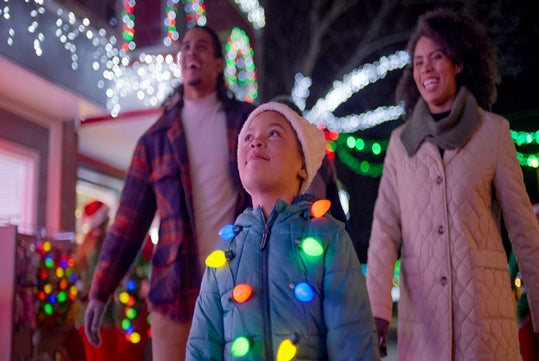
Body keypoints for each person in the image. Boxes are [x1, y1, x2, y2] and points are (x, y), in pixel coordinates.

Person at [365, 8, 539, 361]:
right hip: (423, 324)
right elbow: (384, 231)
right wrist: (377, 311)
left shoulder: (493, 132)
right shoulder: (401, 144)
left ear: (459, 63)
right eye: (417, 62)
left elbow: (523, 230)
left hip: (484, 322)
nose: (426, 68)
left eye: (437, 57)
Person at [84, 25, 256, 361]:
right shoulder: (155, 139)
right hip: (174, 293)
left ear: (220, 63)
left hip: (238, 288)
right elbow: (127, 224)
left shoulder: (248, 125)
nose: (192, 52)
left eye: (202, 46)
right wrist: (99, 291)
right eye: (187, 47)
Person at [186, 102, 380, 360]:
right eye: (248, 137)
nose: (256, 142)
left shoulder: (327, 238)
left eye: (274, 133)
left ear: (303, 165)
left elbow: (352, 341)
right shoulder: (224, 256)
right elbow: (201, 348)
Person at [74, 200, 121, 361]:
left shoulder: (85, 245)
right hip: (102, 317)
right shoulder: (100, 247)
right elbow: (101, 280)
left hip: (82, 315)